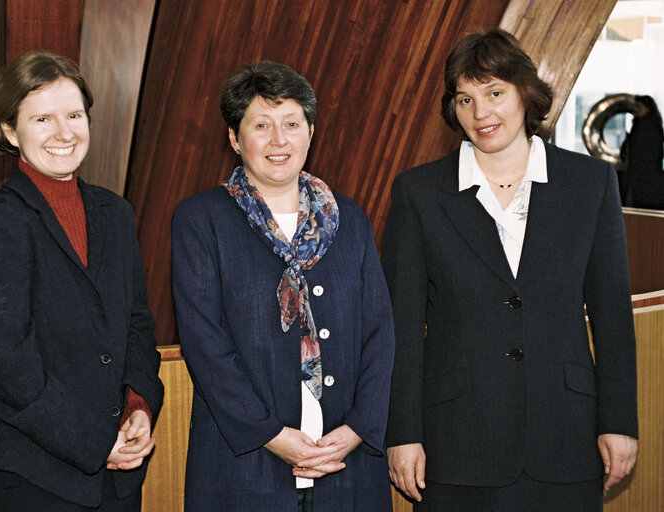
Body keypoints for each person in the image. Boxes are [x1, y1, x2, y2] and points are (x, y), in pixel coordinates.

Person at [381, 29, 638, 511]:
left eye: (494, 93)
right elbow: (401, 326)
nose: (481, 113)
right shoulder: (418, 194)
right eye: (465, 98)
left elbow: (612, 317)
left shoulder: (589, 184)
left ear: (526, 93)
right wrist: (403, 433)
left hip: (567, 435)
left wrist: (619, 421)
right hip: (455, 441)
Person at [171, 60, 395, 511]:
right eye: (261, 125)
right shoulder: (201, 220)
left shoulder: (348, 219)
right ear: (234, 138)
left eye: (292, 123)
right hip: (247, 462)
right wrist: (271, 434)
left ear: (310, 133)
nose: (279, 140)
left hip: (344, 464)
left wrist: (355, 430)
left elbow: (379, 332)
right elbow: (206, 346)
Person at [0, 50, 164, 511]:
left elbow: (137, 326)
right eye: (43, 118)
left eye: (74, 115)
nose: (64, 132)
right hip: (33, 477)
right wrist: (94, 442)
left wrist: (139, 408)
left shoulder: (116, 214)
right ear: (10, 130)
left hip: (118, 477)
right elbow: (2, 369)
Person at [624, 94, 664, 209]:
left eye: (639, 106)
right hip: (643, 173)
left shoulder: (647, 127)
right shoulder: (646, 125)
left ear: (647, 108)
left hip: (645, 174)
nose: (636, 109)